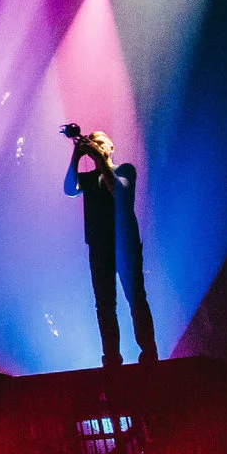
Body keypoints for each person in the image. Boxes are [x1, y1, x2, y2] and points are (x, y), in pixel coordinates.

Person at [65, 128, 156, 367]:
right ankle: (112, 357)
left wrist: (99, 159)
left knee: (136, 297)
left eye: (100, 142)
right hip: (98, 246)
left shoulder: (125, 170)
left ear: (111, 147)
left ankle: (149, 352)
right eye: (91, 142)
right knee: (104, 304)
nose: (95, 144)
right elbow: (69, 189)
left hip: (125, 242)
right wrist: (76, 156)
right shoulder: (87, 179)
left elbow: (119, 192)